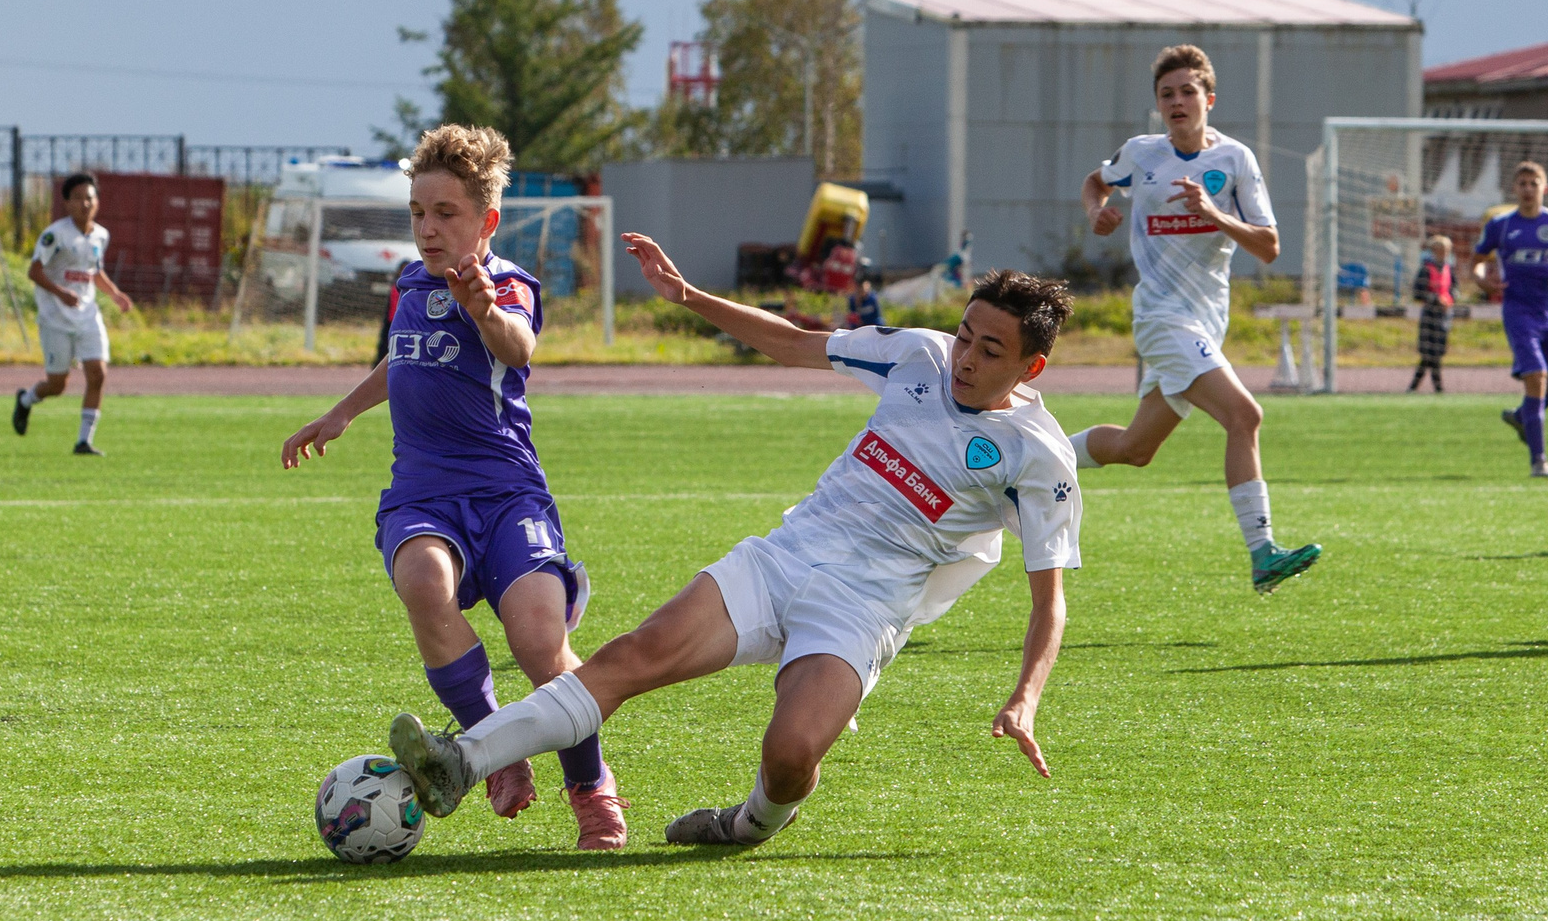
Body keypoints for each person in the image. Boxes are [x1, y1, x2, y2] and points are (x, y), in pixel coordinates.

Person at [385, 241, 1084, 850]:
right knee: (631, 655)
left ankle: (746, 824)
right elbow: (791, 341)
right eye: (964, 335)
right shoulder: (918, 354)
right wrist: (689, 296)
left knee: (790, 755)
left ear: (1033, 366)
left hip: (864, 608)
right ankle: (464, 759)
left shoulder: (1037, 456)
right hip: (782, 558)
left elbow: (1049, 601)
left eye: (990, 350)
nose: (964, 356)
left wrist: (1026, 695)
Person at [282, 124, 629, 851]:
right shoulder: (408, 283)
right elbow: (403, 360)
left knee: (540, 643)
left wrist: (482, 307)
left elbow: (518, 345)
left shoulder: (506, 285)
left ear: (486, 221)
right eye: (417, 211)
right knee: (422, 581)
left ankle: (591, 784)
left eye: (446, 213)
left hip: (506, 493)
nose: (428, 228)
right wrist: (343, 409)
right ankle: (492, 750)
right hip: (423, 493)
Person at [1071, 43, 1320, 594]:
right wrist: (1098, 212)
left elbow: (1271, 246)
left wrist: (1213, 214)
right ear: (1158, 105)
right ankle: (1263, 554)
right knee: (1245, 416)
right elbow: (1096, 181)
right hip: (1162, 318)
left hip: (1207, 325)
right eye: (1167, 94)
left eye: (1188, 92)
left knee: (1136, 449)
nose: (1178, 101)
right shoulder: (1142, 154)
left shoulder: (1234, 161)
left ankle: (1032, 456)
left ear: (1209, 99)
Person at [1470, 163, 1548, 478]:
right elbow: (1478, 261)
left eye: (1533, 183)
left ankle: (1523, 417)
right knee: (1536, 377)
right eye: (1522, 183)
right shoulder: (1501, 225)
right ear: (1515, 189)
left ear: (1544, 188)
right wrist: (1482, 281)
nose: (1527, 188)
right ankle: (1539, 460)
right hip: (1518, 310)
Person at [13, 173, 136, 454]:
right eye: (79, 198)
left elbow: (94, 271)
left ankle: (84, 441)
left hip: (87, 316)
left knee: (98, 374)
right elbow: (34, 271)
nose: (85, 203)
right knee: (57, 385)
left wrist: (115, 294)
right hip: (55, 318)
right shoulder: (55, 234)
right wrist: (60, 293)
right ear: (67, 203)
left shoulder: (101, 235)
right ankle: (25, 400)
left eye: (90, 198)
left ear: (98, 202)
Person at [1407, 236, 1455, 393]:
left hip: (1444, 315)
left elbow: (1455, 289)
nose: (1444, 253)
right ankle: (1437, 388)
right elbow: (1418, 293)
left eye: (1446, 250)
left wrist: (1450, 298)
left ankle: (1414, 387)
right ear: (1434, 251)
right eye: (1440, 250)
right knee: (1429, 354)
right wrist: (1435, 299)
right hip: (1430, 315)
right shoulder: (1426, 269)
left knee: (1436, 353)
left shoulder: (1449, 269)